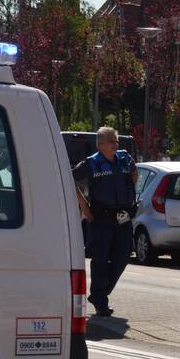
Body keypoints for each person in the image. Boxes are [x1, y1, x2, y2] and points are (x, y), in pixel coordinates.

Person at [72, 126, 138, 317]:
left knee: (123, 256)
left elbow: (133, 172)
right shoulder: (91, 163)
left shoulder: (124, 158)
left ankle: (101, 292)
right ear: (100, 145)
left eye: (116, 141)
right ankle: (100, 298)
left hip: (123, 217)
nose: (115, 144)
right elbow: (69, 178)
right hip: (101, 218)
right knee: (100, 260)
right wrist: (83, 205)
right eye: (111, 141)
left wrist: (131, 185)